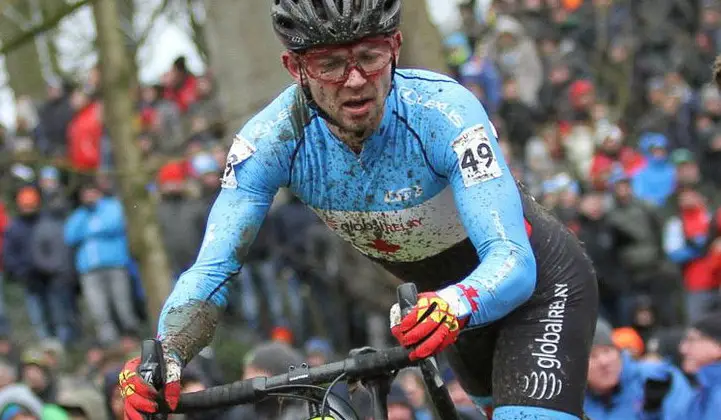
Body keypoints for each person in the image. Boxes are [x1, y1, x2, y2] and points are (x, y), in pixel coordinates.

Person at [118, 2, 598, 419]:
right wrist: (167, 353)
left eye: (369, 57)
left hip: (533, 287)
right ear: (294, 66)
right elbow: (213, 269)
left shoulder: (443, 111)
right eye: (330, 64)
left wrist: (455, 304)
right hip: (446, 309)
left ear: (396, 46)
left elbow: (512, 258)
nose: (354, 81)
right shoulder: (270, 142)